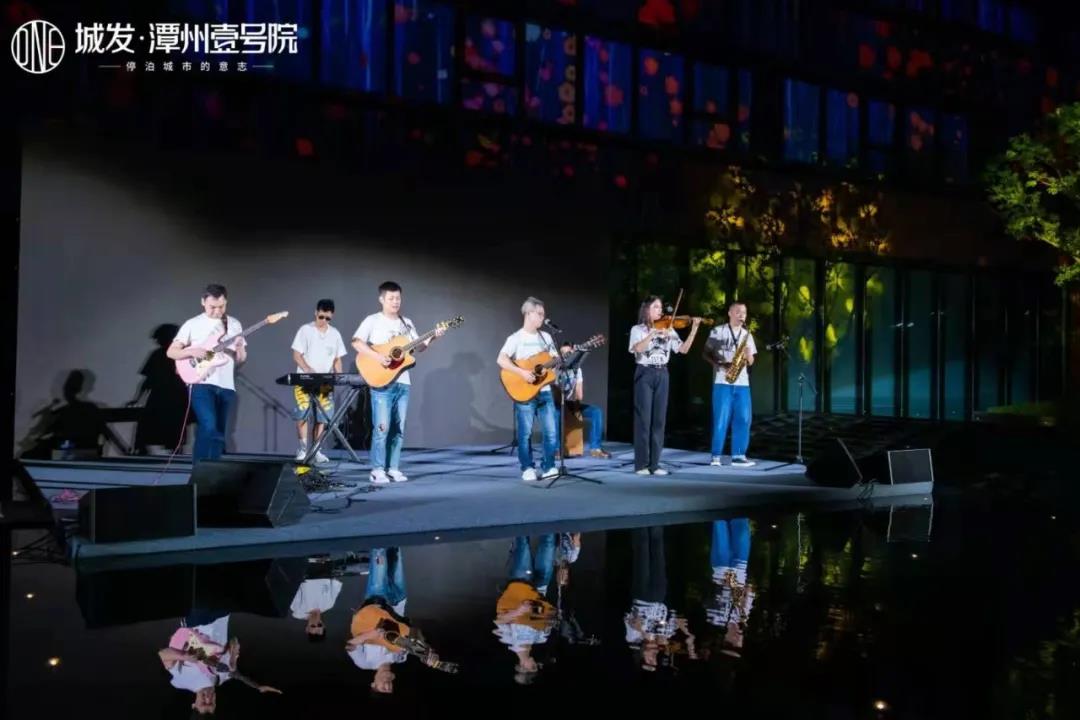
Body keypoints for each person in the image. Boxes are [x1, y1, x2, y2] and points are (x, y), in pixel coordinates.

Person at [352, 282, 443, 484]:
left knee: (398, 429)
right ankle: (377, 470)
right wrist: (378, 357)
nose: (395, 302)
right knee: (382, 428)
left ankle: (393, 468)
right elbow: (356, 342)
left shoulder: (406, 322)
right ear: (382, 299)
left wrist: (434, 337)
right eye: (391, 298)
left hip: (403, 382)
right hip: (382, 381)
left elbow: (419, 347)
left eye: (398, 298)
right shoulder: (372, 320)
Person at [166, 284, 246, 463]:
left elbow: (240, 359)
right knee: (208, 426)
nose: (217, 311)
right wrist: (192, 351)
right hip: (201, 383)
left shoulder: (234, 324)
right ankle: (199, 469)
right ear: (203, 302)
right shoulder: (193, 324)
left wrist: (240, 347)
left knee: (219, 433)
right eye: (212, 307)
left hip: (226, 384)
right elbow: (171, 352)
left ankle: (212, 470)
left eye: (221, 306)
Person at [627, 297, 702, 475]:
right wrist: (652, 334)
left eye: (660, 307)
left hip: (662, 373)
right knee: (643, 420)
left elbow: (683, 349)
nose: (660, 311)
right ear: (646, 309)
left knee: (659, 421)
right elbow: (637, 349)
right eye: (656, 307)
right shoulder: (637, 329)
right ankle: (641, 465)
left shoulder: (669, 328)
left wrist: (694, 329)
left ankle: (655, 464)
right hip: (645, 372)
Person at [497, 297, 559, 482]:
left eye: (543, 314)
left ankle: (549, 466)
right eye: (539, 314)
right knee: (525, 434)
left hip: (545, 391)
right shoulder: (516, 338)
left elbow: (554, 361)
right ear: (528, 313)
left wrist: (559, 362)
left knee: (551, 432)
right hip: (525, 393)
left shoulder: (546, 337)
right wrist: (522, 373)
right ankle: (527, 468)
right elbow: (501, 360)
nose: (542, 317)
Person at [291, 299, 347, 463]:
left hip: (324, 382)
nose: (324, 321)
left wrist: (339, 375)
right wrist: (307, 368)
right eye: (321, 317)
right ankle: (303, 449)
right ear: (316, 313)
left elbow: (337, 358)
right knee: (303, 413)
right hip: (305, 380)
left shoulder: (335, 334)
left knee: (322, 416)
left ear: (332, 316)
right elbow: (296, 355)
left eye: (327, 318)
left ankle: (316, 450)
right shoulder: (305, 330)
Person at [495, 536, 558, 684]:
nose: (536, 664)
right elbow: (549, 613)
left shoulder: (509, 640)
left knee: (522, 543)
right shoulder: (541, 638)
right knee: (549, 543)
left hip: (521, 583)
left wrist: (520, 610)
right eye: (536, 667)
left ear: (523, 667)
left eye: (532, 667)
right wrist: (551, 617)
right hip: (540, 588)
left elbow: (500, 619)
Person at [703, 301, 757, 467]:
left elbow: (751, 362)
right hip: (722, 381)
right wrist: (720, 365)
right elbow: (705, 353)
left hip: (743, 382)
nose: (742, 315)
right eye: (738, 311)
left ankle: (739, 455)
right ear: (730, 313)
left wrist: (748, 355)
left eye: (744, 312)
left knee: (744, 418)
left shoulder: (747, 335)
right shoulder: (718, 331)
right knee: (721, 419)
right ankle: (716, 456)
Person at [554, 343, 611, 458]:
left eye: (568, 353)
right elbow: (554, 393)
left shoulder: (577, 370)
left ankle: (595, 448)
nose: (566, 356)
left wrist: (576, 405)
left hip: (570, 403)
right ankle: (557, 449)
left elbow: (579, 393)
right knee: (556, 414)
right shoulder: (555, 370)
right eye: (563, 353)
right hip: (556, 403)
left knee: (596, 412)